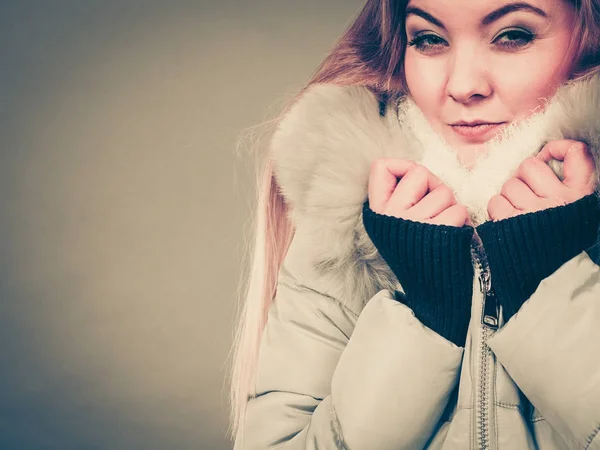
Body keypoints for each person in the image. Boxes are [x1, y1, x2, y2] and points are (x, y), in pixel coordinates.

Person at [228, 0, 600, 448]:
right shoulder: (346, 224)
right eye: (429, 40)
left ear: (589, 36)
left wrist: (550, 284)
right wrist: (422, 319)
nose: (463, 86)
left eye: (513, 36)